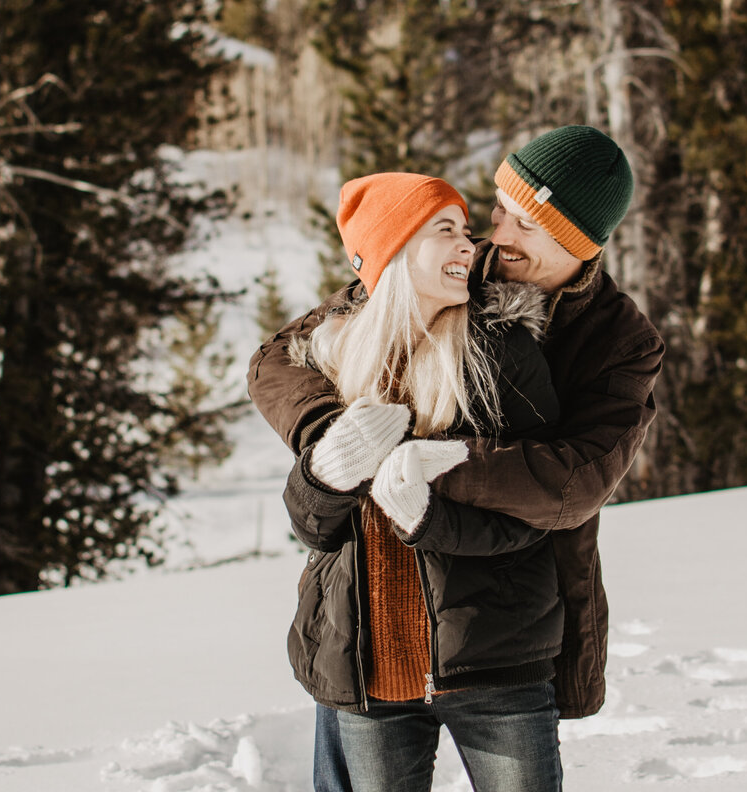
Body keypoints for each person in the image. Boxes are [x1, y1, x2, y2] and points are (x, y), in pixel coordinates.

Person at [248, 125, 665, 790]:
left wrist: (440, 464)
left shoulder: (619, 340)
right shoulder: (452, 262)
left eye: (525, 225)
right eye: (499, 212)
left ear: (576, 243)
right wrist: (341, 443)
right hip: (374, 601)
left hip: (506, 606)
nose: (496, 237)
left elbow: (574, 483)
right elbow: (283, 356)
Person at [274, 171, 570, 791]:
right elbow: (313, 530)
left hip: (494, 663)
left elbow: (534, 515)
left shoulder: (503, 353)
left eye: (466, 231)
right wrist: (326, 474)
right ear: (395, 248)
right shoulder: (329, 361)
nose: (470, 246)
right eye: (446, 231)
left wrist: (429, 520)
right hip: (369, 670)